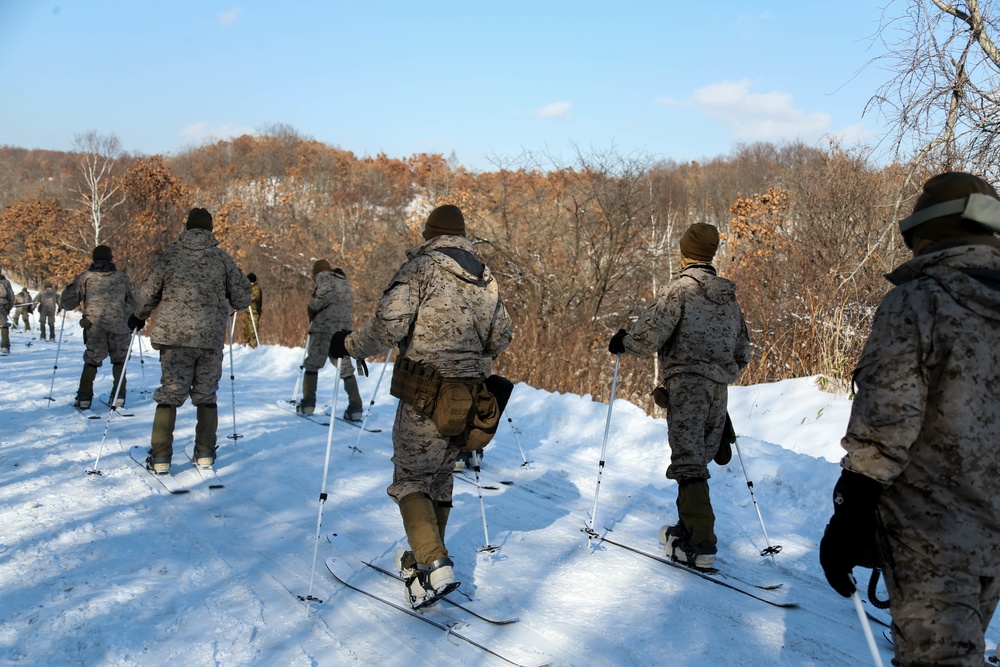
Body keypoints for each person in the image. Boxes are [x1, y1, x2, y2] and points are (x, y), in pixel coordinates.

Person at [820, 172, 1000, 667]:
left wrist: (851, 512)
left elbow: (887, 417)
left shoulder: (918, 300)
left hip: (929, 533)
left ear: (927, 233)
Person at [335, 204, 513, 607]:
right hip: (470, 396)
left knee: (411, 478)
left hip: (426, 393)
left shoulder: (421, 268)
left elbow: (386, 327)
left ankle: (434, 564)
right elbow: (502, 335)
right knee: (441, 477)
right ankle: (423, 561)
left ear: (429, 233)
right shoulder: (486, 277)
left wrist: (347, 345)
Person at [607, 223, 751, 570]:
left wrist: (624, 341)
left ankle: (701, 544)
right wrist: (718, 371)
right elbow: (743, 352)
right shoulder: (729, 299)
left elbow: (649, 336)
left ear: (685, 252)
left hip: (687, 386)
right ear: (711, 254)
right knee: (697, 459)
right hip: (719, 391)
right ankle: (686, 530)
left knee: (688, 463)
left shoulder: (680, 291)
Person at [131, 207, 251, 474]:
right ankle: (205, 451)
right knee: (206, 393)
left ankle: (161, 456)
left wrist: (138, 316)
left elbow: (147, 292)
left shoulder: (169, 257)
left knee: (171, 393)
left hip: (174, 340)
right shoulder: (222, 259)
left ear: (187, 228)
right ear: (210, 229)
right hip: (209, 339)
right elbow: (243, 298)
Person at [60, 246, 135, 410]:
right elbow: (135, 301)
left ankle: (84, 398)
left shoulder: (86, 278)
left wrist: (66, 292)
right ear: (111, 258)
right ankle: (119, 397)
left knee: (92, 360)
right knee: (120, 360)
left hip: (95, 326)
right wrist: (128, 317)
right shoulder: (123, 278)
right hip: (120, 326)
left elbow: (68, 302)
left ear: (94, 259)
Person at [295, 261, 363, 422]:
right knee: (345, 367)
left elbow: (319, 302)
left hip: (324, 329)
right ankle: (355, 407)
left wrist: (311, 310)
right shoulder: (343, 282)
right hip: (343, 331)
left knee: (312, 363)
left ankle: (308, 404)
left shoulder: (323, 278)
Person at [239, 272, 262, 347]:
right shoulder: (247, 287)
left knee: (253, 329)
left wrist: (247, 298)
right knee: (245, 328)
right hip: (247, 311)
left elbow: (255, 297)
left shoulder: (256, 288)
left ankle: (253, 345)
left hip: (254, 312)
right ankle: (245, 343)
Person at [0, 268, 12, 356]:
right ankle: (4, 346)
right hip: (2, 305)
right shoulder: (5, 282)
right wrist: (9, 306)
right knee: (3, 325)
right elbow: (11, 296)